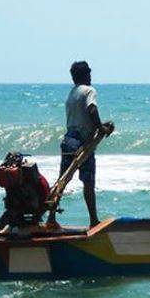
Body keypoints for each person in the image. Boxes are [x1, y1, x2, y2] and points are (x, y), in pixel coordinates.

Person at [46, 60, 115, 228]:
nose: (91, 76)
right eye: (89, 73)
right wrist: (101, 128)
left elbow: (79, 118)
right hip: (82, 144)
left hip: (69, 139)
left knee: (62, 180)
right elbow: (91, 109)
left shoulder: (72, 94)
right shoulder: (89, 90)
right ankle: (93, 220)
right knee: (88, 182)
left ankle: (51, 218)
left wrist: (99, 126)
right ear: (85, 75)